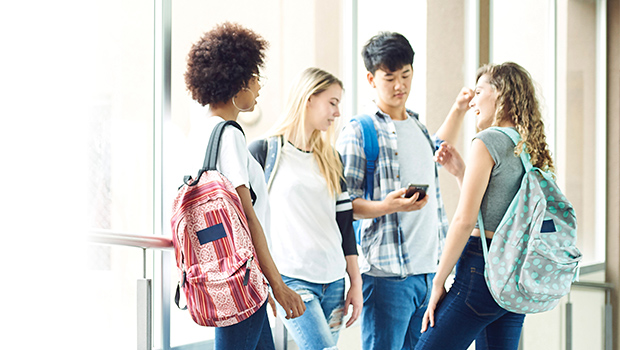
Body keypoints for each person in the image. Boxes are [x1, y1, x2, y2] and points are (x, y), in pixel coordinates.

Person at [335, 31, 473, 349]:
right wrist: (387, 206)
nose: (400, 85)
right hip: (386, 276)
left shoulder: (418, 127)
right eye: (390, 77)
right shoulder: (359, 131)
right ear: (371, 79)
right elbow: (344, 203)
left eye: (406, 75)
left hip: (429, 272)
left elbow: (437, 149)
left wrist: (459, 108)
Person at [415, 62, 555, 350]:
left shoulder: (488, 140)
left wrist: (439, 282)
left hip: (481, 270)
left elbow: (464, 221)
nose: (473, 101)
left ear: (500, 93)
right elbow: (501, 210)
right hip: (515, 275)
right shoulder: (529, 146)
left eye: (479, 91)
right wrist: (460, 172)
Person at [183, 22, 305, 350]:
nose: (259, 88)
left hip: (213, 270)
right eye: (255, 79)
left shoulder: (198, 134)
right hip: (239, 274)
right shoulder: (229, 134)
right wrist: (276, 284)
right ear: (239, 83)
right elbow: (247, 217)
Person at [248, 67, 363, 350]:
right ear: (309, 98)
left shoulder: (331, 158)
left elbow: (345, 226)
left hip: (334, 281)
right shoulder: (264, 152)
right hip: (292, 279)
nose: (337, 113)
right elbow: (247, 221)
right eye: (332, 103)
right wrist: (267, 282)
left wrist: (355, 283)